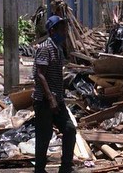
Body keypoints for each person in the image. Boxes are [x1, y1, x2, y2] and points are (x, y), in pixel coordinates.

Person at [33, 15, 76, 173]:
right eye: (62, 29)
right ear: (52, 31)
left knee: (70, 129)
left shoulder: (58, 48)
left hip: (57, 99)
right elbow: (40, 74)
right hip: (45, 101)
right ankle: (39, 169)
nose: (65, 32)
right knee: (44, 136)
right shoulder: (45, 48)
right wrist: (50, 97)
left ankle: (66, 167)